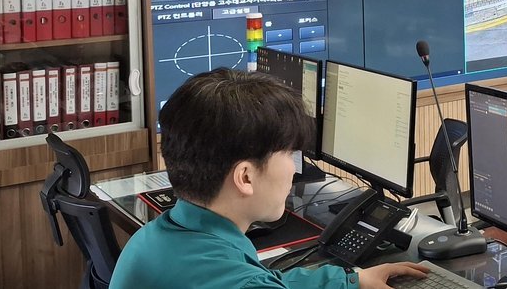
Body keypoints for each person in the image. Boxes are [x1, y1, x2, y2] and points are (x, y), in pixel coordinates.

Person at [111, 68, 428, 289]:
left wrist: (351, 281)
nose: (294, 169)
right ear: (245, 177)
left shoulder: (152, 239)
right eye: (288, 154)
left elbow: (264, 281)